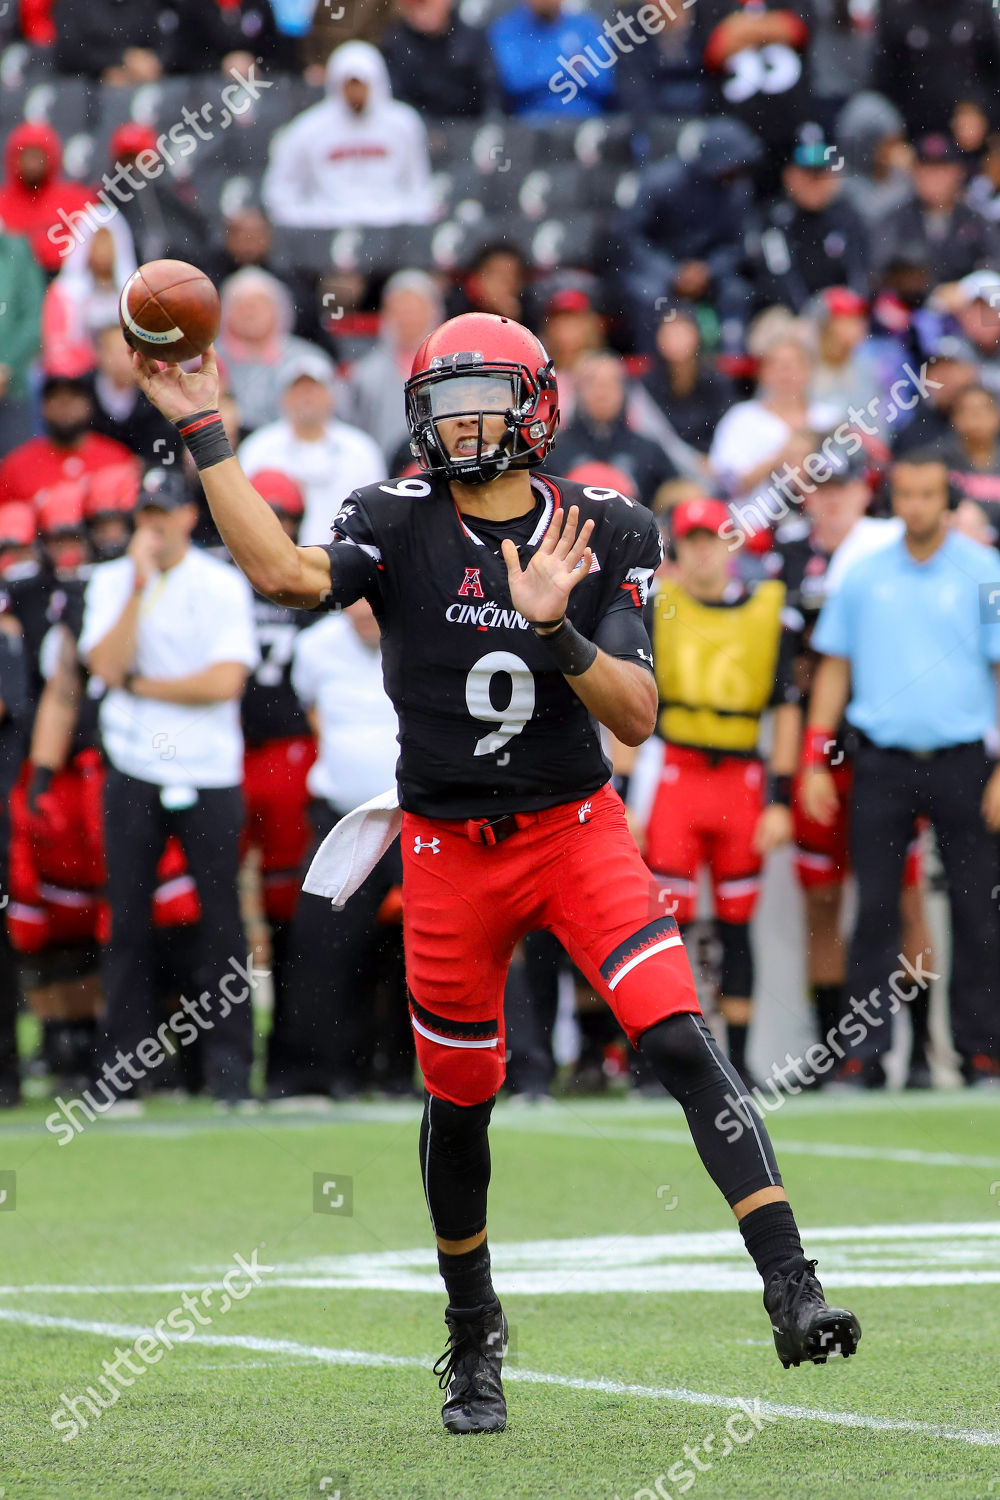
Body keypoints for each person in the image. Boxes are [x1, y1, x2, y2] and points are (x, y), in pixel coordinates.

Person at [133, 310, 861, 1435]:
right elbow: (280, 574)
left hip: (572, 828)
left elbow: (637, 710)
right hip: (445, 846)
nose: (460, 421)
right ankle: (473, 1337)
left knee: (673, 1031)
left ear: (535, 407)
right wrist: (205, 430)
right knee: (462, 1103)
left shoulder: (606, 523)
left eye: (483, 397)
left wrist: (560, 630)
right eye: (442, 399)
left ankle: (790, 1281)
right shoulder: (393, 516)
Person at [804, 448, 1000, 1088]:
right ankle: (862, 1058)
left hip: (964, 762)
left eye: (927, 495)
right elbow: (834, 666)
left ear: (948, 500)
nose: (916, 506)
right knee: (875, 912)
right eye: (906, 495)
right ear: (895, 499)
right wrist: (813, 759)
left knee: (977, 913)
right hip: (882, 762)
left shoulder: (983, 571)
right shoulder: (862, 574)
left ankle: (980, 1053)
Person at [79, 467, 259, 1106]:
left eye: (165, 511)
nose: (153, 524)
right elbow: (103, 665)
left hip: (209, 771)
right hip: (134, 767)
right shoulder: (112, 583)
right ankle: (121, 1073)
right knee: (126, 918)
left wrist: (141, 688)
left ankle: (230, 1072)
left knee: (221, 922)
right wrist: (136, 586)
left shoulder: (220, 583)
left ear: (188, 516)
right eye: (145, 512)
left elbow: (223, 682)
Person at [774, 447, 933, 1087]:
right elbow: (784, 674)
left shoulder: (894, 545)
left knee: (905, 897)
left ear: (866, 494)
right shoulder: (784, 558)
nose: (832, 498)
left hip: (885, 749)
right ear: (806, 494)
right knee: (824, 902)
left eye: (844, 487)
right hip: (821, 752)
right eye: (821, 487)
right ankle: (837, 1052)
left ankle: (920, 1053)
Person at [633, 496, 800, 1089]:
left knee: (736, 922)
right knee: (664, 923)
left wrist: (781, 799)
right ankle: (667, 1060)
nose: (703, 552)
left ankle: (740, 1062)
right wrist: (629, 794)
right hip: (675, 769)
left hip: (740, 779)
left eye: (712, 540)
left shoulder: (769, 614)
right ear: (678, 549)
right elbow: (632, 702)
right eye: (692, 542)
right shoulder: (658, 609)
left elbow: (785, 711)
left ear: (731, 545)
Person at [267, 596, 406, 1100]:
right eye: (358, 604)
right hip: (343, 816)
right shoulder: (314, 647)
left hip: (415, 813)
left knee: (438, 947)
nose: (367, 614)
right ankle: (310, 1075)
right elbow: (312, 709)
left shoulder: (423, 631)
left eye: (376, 604)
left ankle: (421, 1075)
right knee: (322, 945)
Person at [238, 469, 317, 1024]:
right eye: (268, 513)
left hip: (292, 746)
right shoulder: (220, 576)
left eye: (285, 515)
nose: (277, 525)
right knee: (213, 893)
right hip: (229, 743)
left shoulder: (314, 572)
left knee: (292, 890)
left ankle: (296, 1021)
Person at [615, 116, 762, 356]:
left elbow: (739, 243)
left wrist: (708, 269)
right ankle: (655, 369)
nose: (734, 172)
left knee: (737, 293)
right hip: (660, 269)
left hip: (708, 272)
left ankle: (730, 368)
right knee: (648, 296)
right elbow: (630, 237)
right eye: (731, 165)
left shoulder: (738, 190)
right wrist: (672, 272)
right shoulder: (660, 181)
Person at [262, 41, 435, 229]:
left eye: (361, 84)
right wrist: (309, 218)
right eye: (349, 85)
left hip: (391, 229)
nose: (355, 93)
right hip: (324, 229)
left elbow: (419, 187)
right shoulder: (307, 129)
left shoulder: (404, 124)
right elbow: (279, 192)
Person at [236, 351, 386, 547]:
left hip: (347, 563)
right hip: (276, 558)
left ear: (331, 395)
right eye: (298, 390)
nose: (306, 397)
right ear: (283, 398)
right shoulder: (257, 449)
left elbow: (378, 516)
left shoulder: (361, 450)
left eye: (314, 389)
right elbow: (241, 513)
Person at [749, 134, 870, 313]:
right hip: (792, 318)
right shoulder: (776, 221)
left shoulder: (847, 217)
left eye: (821, 174)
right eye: (808, 175)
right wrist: (810, 318)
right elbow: (781, 279)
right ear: (789, 176)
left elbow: (859, 275)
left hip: (839, 314)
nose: (816, 182)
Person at [216, 268, 336, 435]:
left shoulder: (309, 358)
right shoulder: (206, 359)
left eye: (259, 304)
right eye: (241, 305)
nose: (250, 313)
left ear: (279, 310)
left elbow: (332, 416)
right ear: (226, 312)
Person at [342, 270, 443, 463]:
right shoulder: (364, 374)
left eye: (415, 309)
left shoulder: (449, 370)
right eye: (400, 309)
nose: (407, 318)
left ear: (433, 311)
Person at [552, 352, 677, 509]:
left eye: (612, 383)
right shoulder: (552, 449)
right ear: (577, 390)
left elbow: (677, 490)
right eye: (592, 382)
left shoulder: (648, 449)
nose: (602, 391)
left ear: (624, 390)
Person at [875, 134, 999, 288]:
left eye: (941, 169)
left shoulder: (976, 221)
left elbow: (994, 267)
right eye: (926, 169)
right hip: (911, 307)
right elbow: (877, 274)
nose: (933, 178)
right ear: (914, 173)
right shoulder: (894, 220)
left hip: (963, 308)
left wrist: (964, 289)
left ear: (958, 173)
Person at [0, 373, 133, 508]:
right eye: (56, 399)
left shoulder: (116, 457)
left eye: (72, 398)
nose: (64, 406)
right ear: (43, 407)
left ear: (88, 405)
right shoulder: (16, 465)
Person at [872, 0, 1000, 141]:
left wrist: (981, 113)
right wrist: (893, 141)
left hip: (972, 138)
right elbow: (881, 87)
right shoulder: (897, 14)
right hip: (912, 136)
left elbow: (993, 78)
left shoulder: (978, 12)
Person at [489, 0, 616, 117]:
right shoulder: (507, 29)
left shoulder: (586, 26)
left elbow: (604, 80)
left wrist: (536, 66)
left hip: (587, 118)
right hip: (529, 121)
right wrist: (570, 68)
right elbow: (513, 80)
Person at [0, 122, 92, 275]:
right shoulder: (3, 203)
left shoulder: (76, 199)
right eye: (26, 155)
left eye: (37, 155)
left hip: (65, 281)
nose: (32, 163)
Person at [381, 0, 497, 117]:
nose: (425, 12)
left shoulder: (471, 38)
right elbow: (398, 99)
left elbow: (491, 91)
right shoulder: (395, 45)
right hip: (420, 126)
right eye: (417, 5)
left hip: (470, 124)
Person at [89, 325, 185, 466]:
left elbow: (166, 450)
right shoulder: (82, 392)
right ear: (99, 354)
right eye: (115, 351)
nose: (121, 359)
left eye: (127, 351)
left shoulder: (156, 394)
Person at [0, 222, 44, 458]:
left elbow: (34, 320)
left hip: (13, 387)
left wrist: (6, 367)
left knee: (13, 468)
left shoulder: (17, 251)